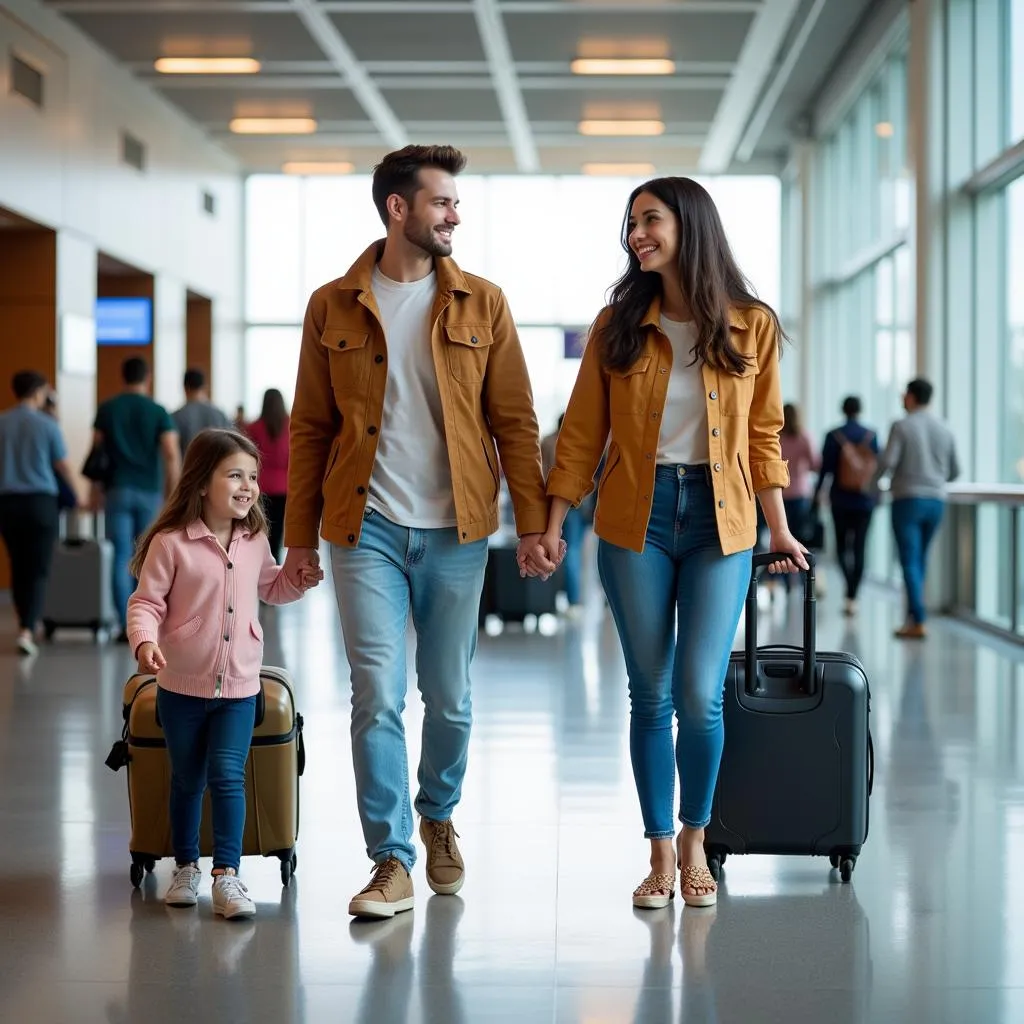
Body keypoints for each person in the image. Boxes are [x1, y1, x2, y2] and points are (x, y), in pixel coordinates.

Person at [282, 144, 553, 920]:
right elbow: (309, 428)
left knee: (452, 697)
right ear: (398, 208)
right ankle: (391, 860)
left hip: (459, 527)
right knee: (376, 694)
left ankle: (438, 814)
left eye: (456, 204)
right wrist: (299, 539)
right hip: (361, 525)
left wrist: (531, 524)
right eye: (441, 202)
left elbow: (514, 419)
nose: (455, 215)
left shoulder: (483, 303)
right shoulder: (332, 304)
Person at [530, 176, 806, 910]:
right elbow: (583, 433)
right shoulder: (616, 324)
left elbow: (762, 434)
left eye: (649, 220)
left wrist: (778, 527)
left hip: (724, 521)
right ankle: (657, 853)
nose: (635, 235)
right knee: (650, 693)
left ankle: (695, 838)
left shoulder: (752, 324)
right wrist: (554, 525)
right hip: (635, 519)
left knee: (700, 693)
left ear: (690, 224)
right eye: (630, 224)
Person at [126, 429, 323, 919]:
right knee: (187, 780)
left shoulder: (255, 539)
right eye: (235, 475)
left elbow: (270, 589)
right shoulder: (171, 543)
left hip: (239, 686)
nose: (248, 486)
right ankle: (188, 865)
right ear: (200, 482)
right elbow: (146, 603)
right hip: (180, 687)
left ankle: (227, 875)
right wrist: (145, 642)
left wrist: (295, 582)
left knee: (229, 777)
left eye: (253, 477)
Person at [91, 357, 181, 641]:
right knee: (148, 559)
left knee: (120, 557)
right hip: (149, 492)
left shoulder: (107, 409)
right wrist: (173, 492)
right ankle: (144, 624)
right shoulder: (157, 411)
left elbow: (95, 453)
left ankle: (122, 623)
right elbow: (170, 452)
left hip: (116, 489)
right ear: (148, 377)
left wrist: (93, 494)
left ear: (123, 376)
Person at [0, 371, 77, 656]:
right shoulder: (47, 424)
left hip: (7, 503)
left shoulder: (2, 422)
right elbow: (62, 465)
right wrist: (77, 494)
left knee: (18, 565)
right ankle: (27, 629)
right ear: (39, 391)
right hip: (41, 502)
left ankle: (25, 622)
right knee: (39, 568)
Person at [876, 378, 959, 639]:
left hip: (907, 499)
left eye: (904, 395)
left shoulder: (901, 425)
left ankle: (918, 619)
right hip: (936, 501)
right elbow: (955, 470)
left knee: (909, 561)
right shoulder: (944, 428)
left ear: (911, 397)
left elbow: (888, 461)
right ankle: (912, 618)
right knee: (920, 560)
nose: (902, 399)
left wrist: (871, 485)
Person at [813, 395, 879, 616]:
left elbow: (825, 470)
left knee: (842, 547)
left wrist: (817, 495)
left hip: (839, 499)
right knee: (860, 547)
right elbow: (876, 469)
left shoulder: (834, 436)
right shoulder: (871, 436)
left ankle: (848, 586)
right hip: (865, 501)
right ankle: (853, 595)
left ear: (843, 410)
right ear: (860, 410)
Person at [541, 412, 590, 614]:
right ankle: (573, 600)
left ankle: (554, 599)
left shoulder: (547, 442)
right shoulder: (576, 442)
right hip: (576, 505)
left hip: (553, 502)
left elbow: (543, 472)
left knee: (555, 551)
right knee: (573, 551)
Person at [778, 403, 820, 591]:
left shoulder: (776, 437)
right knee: (800, 538)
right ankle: (805, 579)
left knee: (782, 538)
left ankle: (786, 581)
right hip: (800, 494)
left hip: (779, 495)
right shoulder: (804, 437)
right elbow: (815, 464)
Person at [245, 389, 290, 563]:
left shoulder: (254, 427)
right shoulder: (290, 426)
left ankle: (259, 564)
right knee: (277, 531)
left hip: (259, 486)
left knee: (260, 529)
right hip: (283, 487)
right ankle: (275, 562)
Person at [171, 368, 230, 457]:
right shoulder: (220, 415)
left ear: (184, 388)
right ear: (205, 387)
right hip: (217, 468)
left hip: (188, 469)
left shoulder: (176, 417)